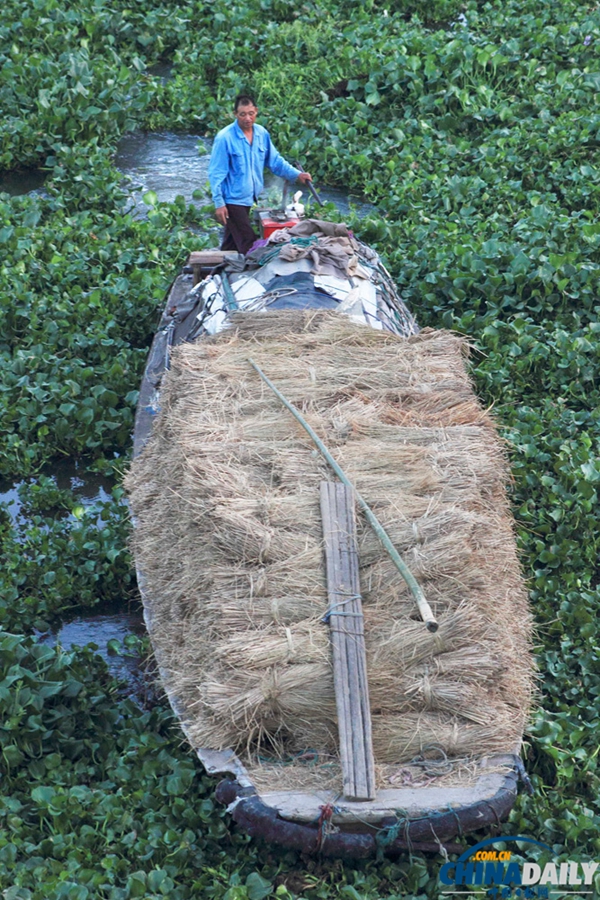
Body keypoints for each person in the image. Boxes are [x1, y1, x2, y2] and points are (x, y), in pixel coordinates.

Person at [208, 94, 313, 254]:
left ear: (256, 111)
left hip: (249, 198)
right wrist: (219, 203)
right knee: (249, 241)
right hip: (232, 200)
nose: (247, 118)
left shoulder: (261, 134)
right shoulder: (225, 138)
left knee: (231, 243)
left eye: (251, 113)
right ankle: (253, 266)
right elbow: (216, 173)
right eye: (242, 114)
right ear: (235, 114)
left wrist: (297, 175)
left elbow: (275, 162)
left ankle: (220, 267)